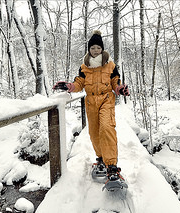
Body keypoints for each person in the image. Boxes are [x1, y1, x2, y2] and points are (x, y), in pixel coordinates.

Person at [53, 30, 130, 187]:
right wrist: (69, 86)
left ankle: (112, 167)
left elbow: (116, 82)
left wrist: (120, 89)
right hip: (91, 102)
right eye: (93, 48)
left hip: (107, 99)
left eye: (98, 48)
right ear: (89, 49)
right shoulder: (84, 67)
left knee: (107, 128)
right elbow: (79, 84)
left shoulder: (110, 65)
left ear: (102, 49)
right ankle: (101, 158)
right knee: (94, 133)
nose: (95, 50)